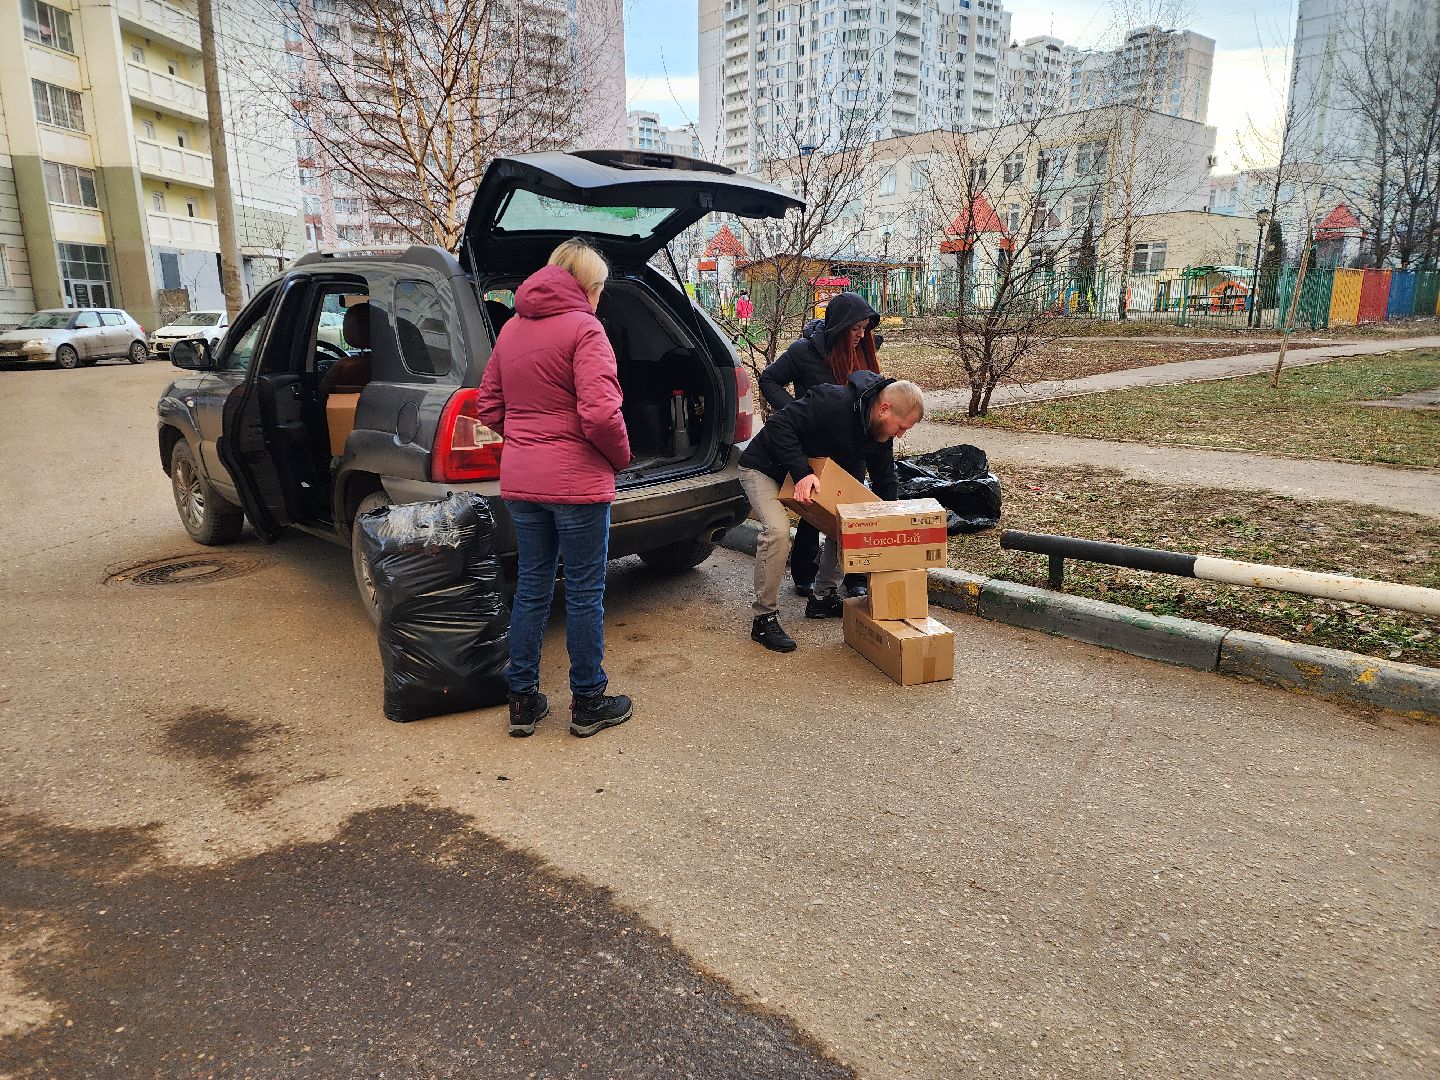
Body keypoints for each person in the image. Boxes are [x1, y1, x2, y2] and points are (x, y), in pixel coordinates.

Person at [476, 239, 634, 739]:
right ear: (588, 285)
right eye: (600, 288)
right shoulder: (587, 330)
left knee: (532, 587)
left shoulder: (512, 330)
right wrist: (620, 458)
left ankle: (522, 701)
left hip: (522, 484)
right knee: (585, 594)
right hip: (578, 483)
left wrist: (526, 443)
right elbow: (601, 413)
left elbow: (489, 406)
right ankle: (588, 701)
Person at [737, 372, 925, 652]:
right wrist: (801, 472)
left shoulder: (878, 433)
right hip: (765, 467)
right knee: (777, 533)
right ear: (884, 409)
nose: (900, 434)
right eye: (901, 427)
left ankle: (822, 597)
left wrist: (891, 524)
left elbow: (886, 480)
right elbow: (779, 425)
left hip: (805, 473)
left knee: (853, 523)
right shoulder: (833, 400)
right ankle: (764, 617)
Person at [758, 292, 881, 600]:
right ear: (840, 326)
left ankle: (853, 576)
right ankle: (804, 574)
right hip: (816, 444)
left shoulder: (864, 353)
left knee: (851, 510)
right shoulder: (804, 351)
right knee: (813, 508)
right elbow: (769, 379)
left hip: (851, 446)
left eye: (866, 328)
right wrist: (796, 410)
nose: (861, 335)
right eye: (855, 329)